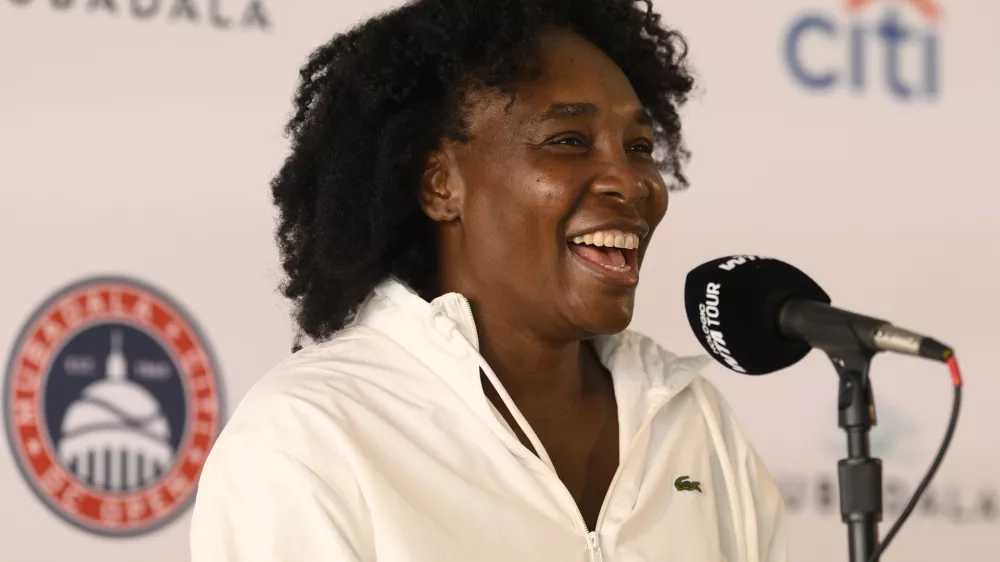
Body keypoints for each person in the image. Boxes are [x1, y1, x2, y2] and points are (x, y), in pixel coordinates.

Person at [190, 0, 787, 560]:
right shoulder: (311, 431)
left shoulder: (694, 421)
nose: (632, 183)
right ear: (440, 186)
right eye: (569, 142)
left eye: (638, 146)